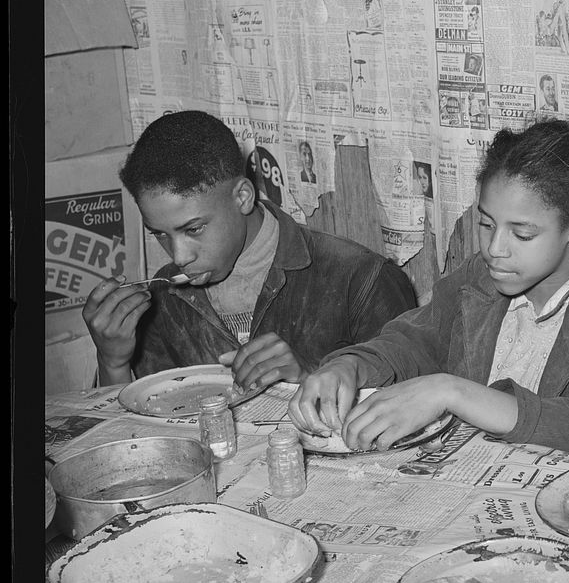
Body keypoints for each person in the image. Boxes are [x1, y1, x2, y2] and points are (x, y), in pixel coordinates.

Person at [288, 119, 569, 460]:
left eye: (522, 234)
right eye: (486, 224)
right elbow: (414, 340)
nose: (495, 249)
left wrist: (451, 392)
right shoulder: (483, 276)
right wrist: (348, 365)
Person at [82, 110, 417, 391]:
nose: (179, 256)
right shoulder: (163, 300)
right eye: (160, 234)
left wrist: (307, 380)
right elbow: (138, 436)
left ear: (242, 197)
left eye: (193, 229)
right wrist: (112, 360)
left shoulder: (361, 281)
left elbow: (415, 413)